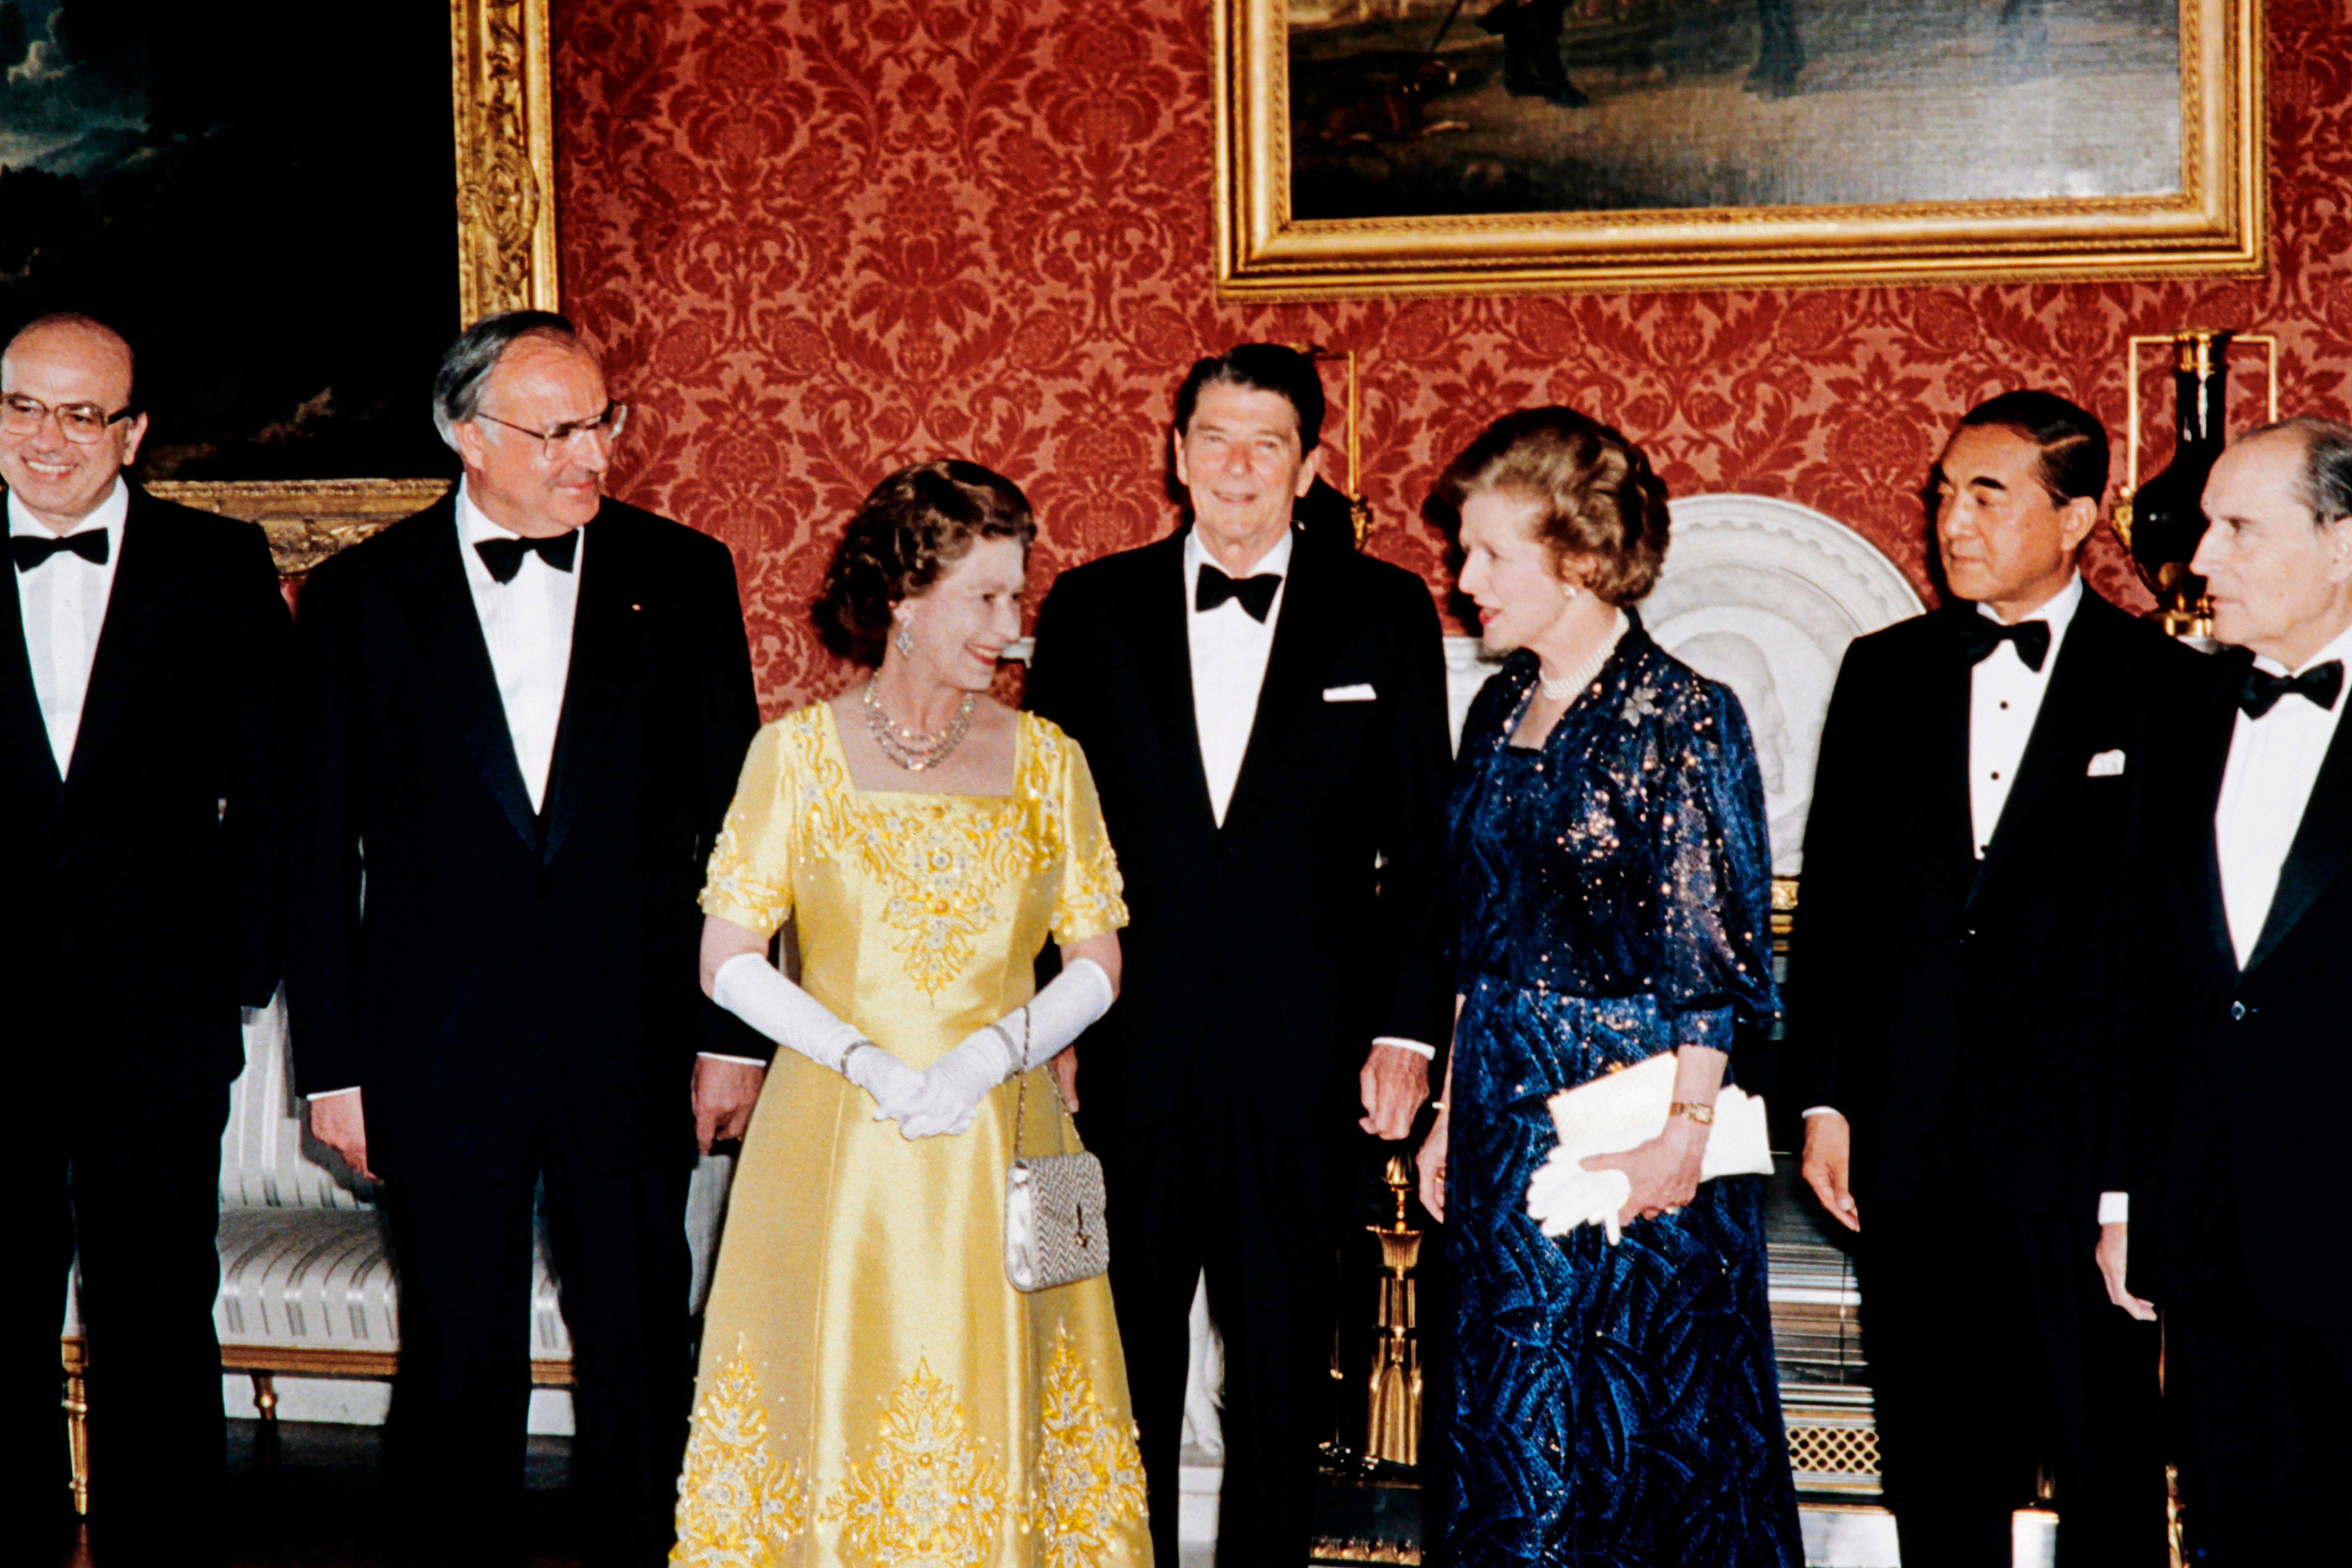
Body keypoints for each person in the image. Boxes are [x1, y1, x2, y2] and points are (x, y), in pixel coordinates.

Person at [286, 311, 760, 1566]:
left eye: (601, 424)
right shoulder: (357, 601)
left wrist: (733, 1036)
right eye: (554, 432)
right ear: (465, 435)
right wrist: (331, 1068)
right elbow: (317, 853)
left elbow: (739, 840)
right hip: (434, 1049)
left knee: (644, 1345)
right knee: (455, 1358)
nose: (589, 457)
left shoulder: (688, 576)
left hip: (637, 1038)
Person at [673, 459, 1148, 1568]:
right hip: (839, 1133)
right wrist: (873, 1065)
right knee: (835, 1403)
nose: (1011, 626)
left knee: (1063, 1405)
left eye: (1017, 597)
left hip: (1033, 1136)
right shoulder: (791, 756)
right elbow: (727, 958)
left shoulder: (1052, 759)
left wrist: (988, 1055)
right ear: (903, 597)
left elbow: (1099, 957)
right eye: (985, 598)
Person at [1026, 344, 1454, 1565]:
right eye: (1215, 437)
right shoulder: (1089, 611)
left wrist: (1409, 1028)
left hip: (1304, 1059)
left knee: (1280, 1369)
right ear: (1176, 453)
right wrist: (1049, 1028)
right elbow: (1043, 842)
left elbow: (1427, 848)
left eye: (1268, 444)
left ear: (1310, 466)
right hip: (1119, 1054)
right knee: (1117, 1357)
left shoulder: (1383, 610)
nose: (1238, 466)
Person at [1794, 391, 2175, 1566]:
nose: (1950, 521)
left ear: (2077, 517)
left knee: (2107, 1468)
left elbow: (2166, 963)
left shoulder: (2165, 686)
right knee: (1937, 1474)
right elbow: (1837, 911)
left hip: (2077, 1165)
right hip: (1912, 1151)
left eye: (1985, 495)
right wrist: (1823, 1099)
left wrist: (2131, 1187)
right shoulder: (1881, 673)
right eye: (1943, 493)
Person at [1414, 406, 1800, 1565]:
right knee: (1503, 1418)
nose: (1462, 577)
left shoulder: (1684, 716)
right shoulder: (1494, 710)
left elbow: (1714, 964)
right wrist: (1444, 1112)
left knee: (1626, 1426)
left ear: (1578, 561)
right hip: (1495, 1112)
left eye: (1488, 553)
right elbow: (1473, 934)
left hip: (1627, 1119)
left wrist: (1684, 1136)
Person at [2, 312, 291, 1565]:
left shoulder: (217, 566)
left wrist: (234, 968)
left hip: (158, 1014)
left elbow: (282, 790)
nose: (47, 440)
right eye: (22, 406)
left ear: (133, 434)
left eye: (81, 415)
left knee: (159, 1306)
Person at [2108, 417, 2352, 1564]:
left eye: (2240, 529)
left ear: (2344, 541)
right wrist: (2124, 1202)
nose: (2202, 560)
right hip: (2210, 1234)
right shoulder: (2179, 713)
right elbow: (2137, 987)